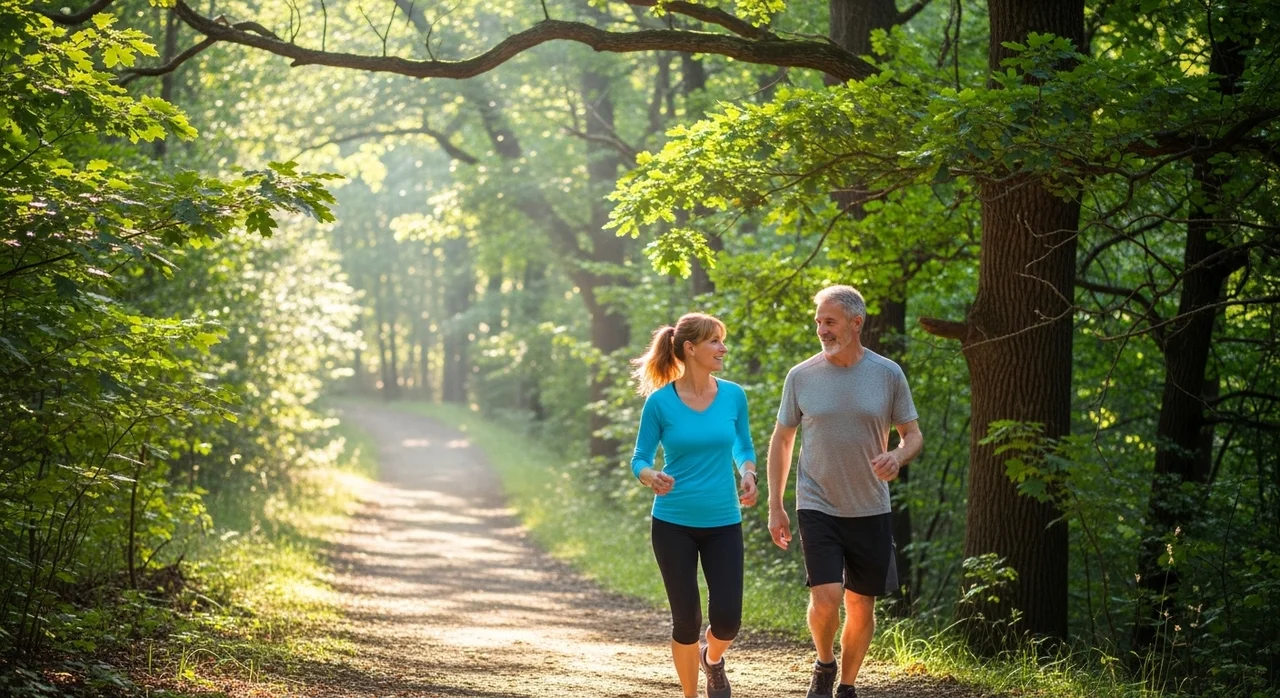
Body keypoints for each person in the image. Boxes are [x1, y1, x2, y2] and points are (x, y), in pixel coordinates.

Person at [766, 286, 923, 698]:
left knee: (861, 604)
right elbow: (782, 440)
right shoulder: (801, 376)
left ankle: (847, 686)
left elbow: (912, 434)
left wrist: (898, 456)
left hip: (870, 505)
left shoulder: (888, 374)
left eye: (829, 321)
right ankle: (824, 661)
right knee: (827, 597)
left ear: (856, 323)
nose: (821, 329)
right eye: (818, 321)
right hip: (817, 501)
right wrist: (775, 505)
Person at [630, 312, 759, 698]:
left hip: (723, 520)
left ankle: (713, 660)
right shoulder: (660, 403)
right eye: (714, 341)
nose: (723, 348)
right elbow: (639, 458)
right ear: (690, 348)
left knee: (728, 622)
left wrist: (748, 472)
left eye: (722, 340)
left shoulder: (734, 395)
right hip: (673, 523)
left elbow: (743, 444)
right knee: (686, 621)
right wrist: (650, 475)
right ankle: (689, 694)